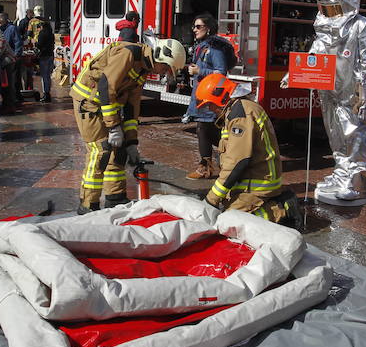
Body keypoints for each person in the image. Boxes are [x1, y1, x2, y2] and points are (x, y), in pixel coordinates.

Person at [281, 0, 366, 205]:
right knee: (336, 137)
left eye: (334, 7)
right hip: (330, 94)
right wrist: (294, 74)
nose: (329, 13)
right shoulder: (325, 28)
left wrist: (365, 97)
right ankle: (342, 174)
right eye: (325, 8)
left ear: (347, 4)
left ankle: (358, 184)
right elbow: (315, 54)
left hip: (352, 96)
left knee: (356, 137)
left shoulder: (362, 26)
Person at [70, 35, 185, 214]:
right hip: (89, 102)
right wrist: (114, 127)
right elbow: (105, 87)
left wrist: (131, 142)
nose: (163, 73)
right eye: (166, 68)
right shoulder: (128, 54)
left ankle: (114, 198)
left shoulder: (143, 68)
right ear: (160, 57)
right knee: (100, 151)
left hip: (107, 102)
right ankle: (87, 204)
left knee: (119, 150)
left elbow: (132, 105)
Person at [198, 73, 301, 229]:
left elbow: (238, 161)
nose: (211, 109)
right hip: (249, 180)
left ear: (221, 97)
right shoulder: (236, 110)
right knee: (225, 212)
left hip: (259, 185)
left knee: (229, 223)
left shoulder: (241, 115)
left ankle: (281, 210)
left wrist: (212, 198)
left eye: (210, 105)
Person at [182, 13, 232, 179]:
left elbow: (221, 72)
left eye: (198, 26)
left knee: (204, 130)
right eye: (194, 26)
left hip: (211, 98)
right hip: (202, 95)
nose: (194, 30)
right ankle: (218, 162)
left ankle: (219, 162)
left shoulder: (214, 49)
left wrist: (199, 71)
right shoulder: (203, 45)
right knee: (204, 130)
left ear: (208, 28)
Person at [0, 13, 22, 107]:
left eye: (0, 23)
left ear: (5, 21)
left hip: (11, 58)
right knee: (6, 81)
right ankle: (8, 99)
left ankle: (12, 100)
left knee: (12, 81)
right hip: (3, 59)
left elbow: (17, 42)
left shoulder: (12, 28)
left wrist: (17, 55)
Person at [36, 20, 55, 103]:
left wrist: (35, 43)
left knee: (44, 76)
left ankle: (45, 94)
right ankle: (48, 93)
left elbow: (39, 45)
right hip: (50, 55)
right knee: (48, 76)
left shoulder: (42, 33)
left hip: (44, 56)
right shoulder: (51, 34)